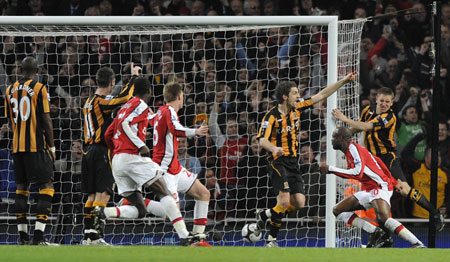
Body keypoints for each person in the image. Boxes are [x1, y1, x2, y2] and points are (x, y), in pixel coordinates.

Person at [95, 77, 201, 246]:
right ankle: (184, 235)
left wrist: (116, 153)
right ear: (149, 92)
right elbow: (124, 124)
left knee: (140, 210)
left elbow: (108, 134)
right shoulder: (140, 104)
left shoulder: (123, 107)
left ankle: (103, 212)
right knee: (163, 191)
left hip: (118, 160)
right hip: (132, 158)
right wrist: (141, 144)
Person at [256, 73, 355, 247]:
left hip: (293, 162)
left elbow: (322, 94)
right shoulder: (271, 116)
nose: (298, 96)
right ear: (285, 96)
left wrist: (344, 81)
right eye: (295, 93)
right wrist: (274, 148)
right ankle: (271, 240)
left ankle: (264, 215)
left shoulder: (298, 108)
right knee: (284, 201)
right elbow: (262, 139)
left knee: (300, 202)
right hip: (276, 161)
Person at [332, 87, 445, 235]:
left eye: (387, 101)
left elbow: (367, 126)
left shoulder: (389, 117)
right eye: (382, 101)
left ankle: (435, 213)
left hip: (387, 158)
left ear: (391, 103)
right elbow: (358, 128)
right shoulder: (367, 111)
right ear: (376, 99)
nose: (384, 104)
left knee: (404, 189)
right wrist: (343, 133)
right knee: (374, 193)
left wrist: (345, 119)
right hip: (371, 161)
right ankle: (381, 235)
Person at [320, 127, 425, 248]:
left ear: (341, 138)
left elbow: (357, 172)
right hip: (371, 189)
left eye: (333, 137)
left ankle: (417, 244)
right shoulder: (350, 152)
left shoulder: (353, 149)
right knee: (337, 210)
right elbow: (378, 162)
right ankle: (374, 231)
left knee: (383, 218)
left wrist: (330, 169)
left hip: (380, 187)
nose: (331, 140)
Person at [4, 56, 58, 245]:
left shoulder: (9, 90)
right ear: (37, 71)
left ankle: (22, 237)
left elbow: (10, 121)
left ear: (20, 69)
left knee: (21, 189)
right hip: (36, 147)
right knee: (47, 187)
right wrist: (51, 146)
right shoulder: (39, 88)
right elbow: (46, 119)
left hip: (17, 147)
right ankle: (38, 238)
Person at [80, 63, 137, 245]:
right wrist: (134, 77)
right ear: (112, 82)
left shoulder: (88, 102)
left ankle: (88, 234)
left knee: (91, 197)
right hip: (100, 151)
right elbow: (125, 97)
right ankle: (96, 235)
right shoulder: (101, 102)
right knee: (103, 194)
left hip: (86, 151)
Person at [149, 82, 211, 246]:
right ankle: (139, 202)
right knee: (172, 213)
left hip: (175, 168)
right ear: (179, 97)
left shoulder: (160, 112)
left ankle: (197, 240)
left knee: (204, 194)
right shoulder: (169, 111)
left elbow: (153, 122)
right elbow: (176, 129)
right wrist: (195, 131)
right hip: (165, 171)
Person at [401, 134, 450, 219]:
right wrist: (418, 137)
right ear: (426, 158)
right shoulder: (417, 168)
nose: (437, 158)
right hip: (417, 218)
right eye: (434, 155)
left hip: (438, 217)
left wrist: (447, 208)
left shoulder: (446, 173)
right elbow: (405, 155)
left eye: (438, 155)